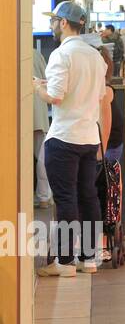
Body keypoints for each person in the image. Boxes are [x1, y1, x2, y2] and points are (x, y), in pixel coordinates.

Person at [33, 2, 106, 276]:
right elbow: (100, 96)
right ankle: (88, 259)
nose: (52, 25)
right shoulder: (95, 56)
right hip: (89, 138)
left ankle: (64, 262)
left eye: (54, 21)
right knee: (88, 197)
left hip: (64, 137)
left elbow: (56, 96)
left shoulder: (62, 54)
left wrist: (36, 87)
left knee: (65, 199)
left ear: (64, 23)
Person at [33, 43, 52, 209]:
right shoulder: (35, 54)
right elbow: (48, 79)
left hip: (15, 117)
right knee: (42, 158)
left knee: (22, 159)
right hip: (37, 112)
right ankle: (44, 197)